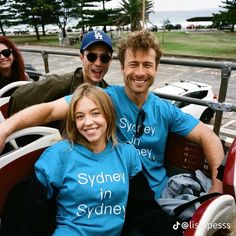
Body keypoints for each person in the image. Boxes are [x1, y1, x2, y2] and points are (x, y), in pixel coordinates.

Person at [0, 30, 224, 234]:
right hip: (115, 202)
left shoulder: (165, 110)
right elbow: (49, 111)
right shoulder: (103, 100)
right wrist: (6, 128)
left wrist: (217, 181)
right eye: (133, 64)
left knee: (208, 224)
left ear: (156, 68)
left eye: (147, 65)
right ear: (123, 67)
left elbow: (208, 136)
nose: (139, 72)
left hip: (157, 202)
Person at [0, 83, 142, 236]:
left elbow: (141, 207)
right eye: (80, 116)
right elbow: (27, 208)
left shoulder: (127, 154)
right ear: (74, 121)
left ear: (108, 114)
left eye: (95, 113)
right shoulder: (59, 154)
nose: (88, 122)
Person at [7, 29, 112, 131]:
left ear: (110, 60)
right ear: (81, 57)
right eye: (92, 56)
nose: (98, 63)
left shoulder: (109, 93)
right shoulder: (58, 84)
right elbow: (19, 96)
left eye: (104, 58)